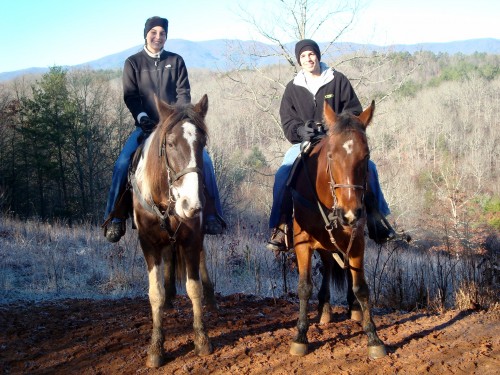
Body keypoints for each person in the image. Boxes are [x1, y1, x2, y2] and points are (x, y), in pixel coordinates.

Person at [267, 39, 399, 252]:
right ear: (299, 60)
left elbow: (355, 112)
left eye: (311, 54)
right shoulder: (292, 88)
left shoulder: (338, 80)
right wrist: (301, 131)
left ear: (317, 55)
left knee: (370, 168)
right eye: (303, 56)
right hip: (307, 143)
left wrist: (338, 127)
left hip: (339, 142)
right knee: (284, 172)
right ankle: (281, 226)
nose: (308, 59)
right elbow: (288, 122)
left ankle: (377, 221)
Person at [103, 16, 226, 243]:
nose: (158, 37)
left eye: (162, 33)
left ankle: (212, 214)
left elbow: (183, 94)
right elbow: (130, 96)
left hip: (174, 127)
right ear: (146, 34)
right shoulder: (133, 63)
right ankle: (114, 218)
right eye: (154, 32)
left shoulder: (176, 61)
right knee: (122, 163)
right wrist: (141, 117)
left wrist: (175, 120)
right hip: (145, 127)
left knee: (206, 162)